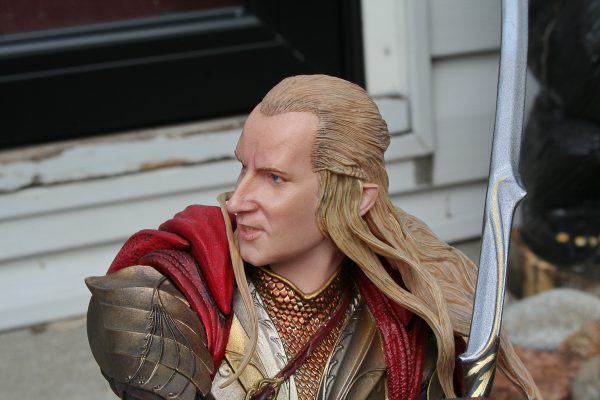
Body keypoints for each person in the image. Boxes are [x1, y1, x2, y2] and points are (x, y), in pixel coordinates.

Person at [86, 74, 541, 400]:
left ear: (356, 198)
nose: (238, 200)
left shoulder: (407, 329)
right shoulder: (163, 301)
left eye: (275, 178)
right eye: (243, 167)